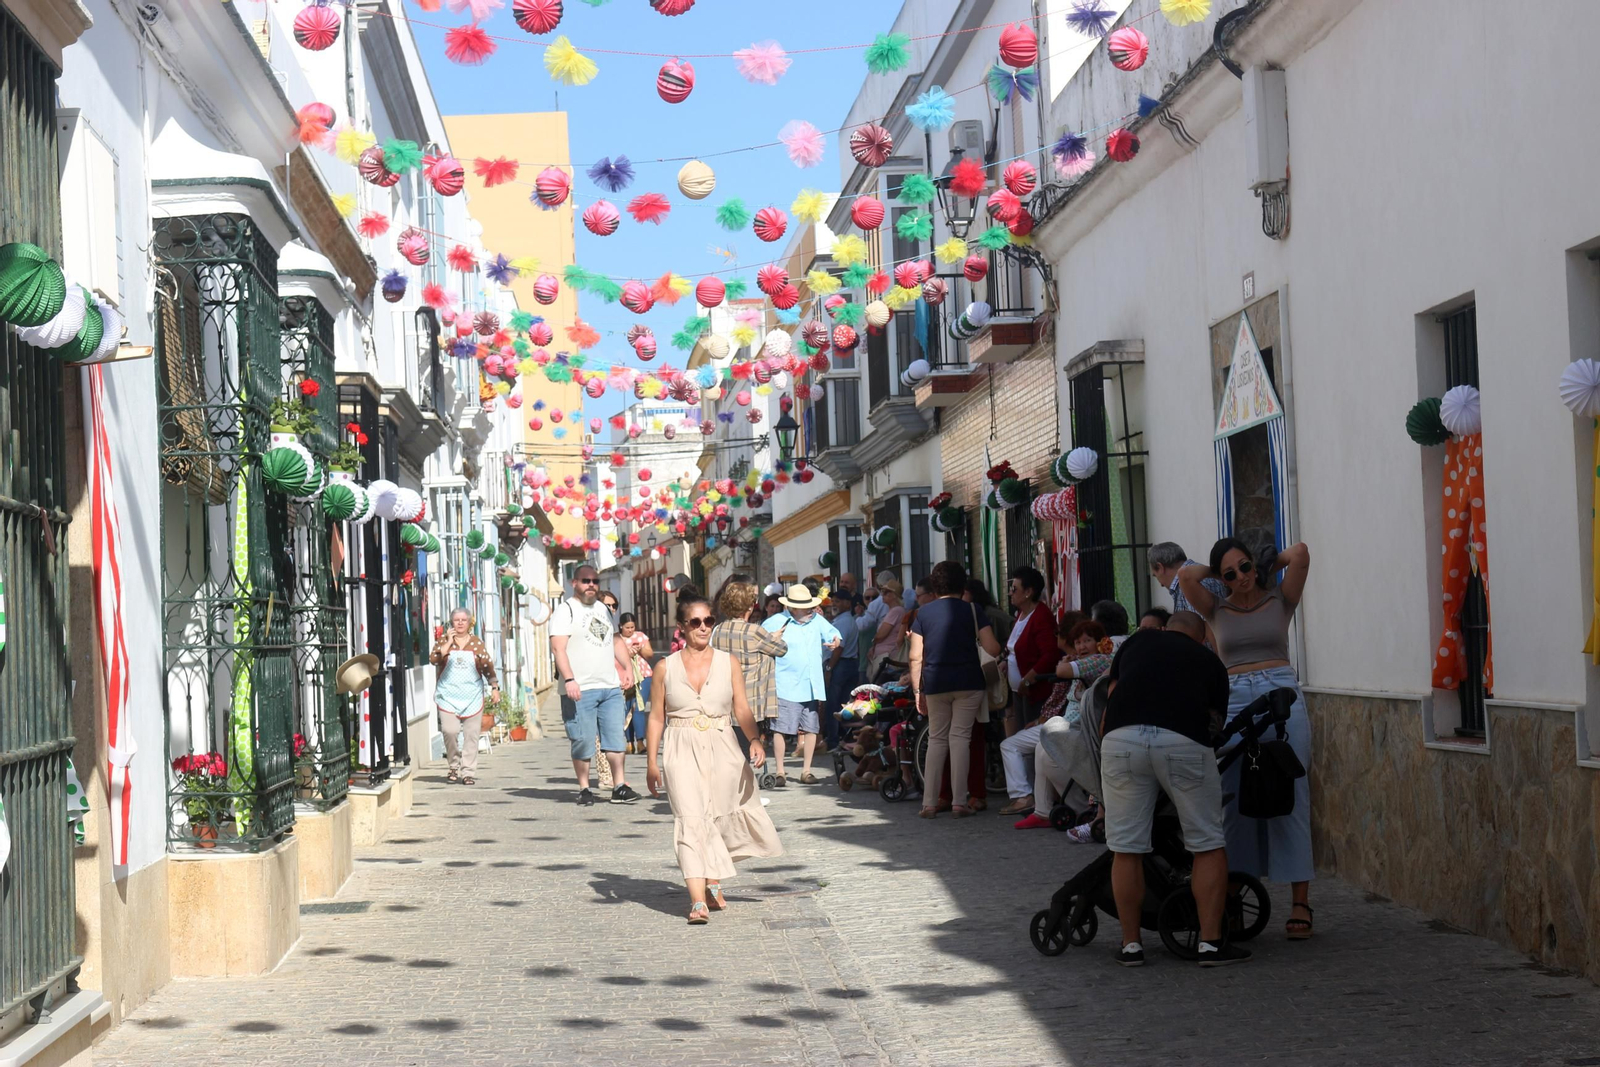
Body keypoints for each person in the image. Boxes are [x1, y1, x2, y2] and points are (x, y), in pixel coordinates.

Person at [1180, 539, 1314, 941]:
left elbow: (1302, 554)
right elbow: (1186, 575)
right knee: (1233, 796)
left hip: (1281, 693)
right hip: (1234, 693)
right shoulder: (1214, 607)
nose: (1240, 576)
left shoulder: (1281, 597)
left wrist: (1265, 563)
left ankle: (1300, 902)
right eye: (1229, 573)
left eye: (1244, 567)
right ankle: (1234, 896)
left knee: (1292, 791)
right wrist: (1216, 571)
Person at [1101, 611, 1247, 967]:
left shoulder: (1137, 642)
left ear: (1166, 629)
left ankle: (1131, 945)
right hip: (1182, 741)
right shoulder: (1209, 661)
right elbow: (1214, 725)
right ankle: (1211, 944)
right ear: (1200, 638)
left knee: (1126, 847)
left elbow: (1111, 694)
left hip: (1121, 739)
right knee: (1207, 843)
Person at [645, 596, 783, 924]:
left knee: (718, 816)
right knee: (690, 819)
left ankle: (712, 879)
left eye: (709, 620)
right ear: (682, 627)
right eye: (696, 622)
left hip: (723, 745)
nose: (704, 627)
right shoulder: (665, 667)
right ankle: (697, 901)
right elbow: (655, 718)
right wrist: (652, 761)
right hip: (680, 746)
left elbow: (742, 708)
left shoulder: (728, 662)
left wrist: (754, 739)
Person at [908, 561, 1004, 819]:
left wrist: (918, 691)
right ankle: (960, 802)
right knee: (961, 738)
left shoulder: (923, 615)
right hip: (969, 682)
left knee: (937, 739)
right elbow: (993, 649)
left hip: (936, 683)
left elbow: (915, 657)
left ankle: (929, 802)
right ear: (962, 584)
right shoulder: (973, 610)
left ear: (935, 586)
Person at [550, 564, 640, 807]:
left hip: (609, 686)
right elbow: (558, 648)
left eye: (594, 581)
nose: (591, 585)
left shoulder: (602, 608)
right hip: (580, 688)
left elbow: (614, 640)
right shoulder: (565, 611)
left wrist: (628, 669)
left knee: (615, 737)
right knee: (582, 739)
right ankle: (584, 788)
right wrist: (569, 679)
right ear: (575, 584)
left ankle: (619, 786)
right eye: (585, 581)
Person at [1000, 618, 1106, 818]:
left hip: (1082, 728)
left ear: (1099, 643)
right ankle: (1044, 810)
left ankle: (1080, 807)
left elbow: (1061, 676)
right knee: (1041, 746)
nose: (1082, 646)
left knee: (1042, 749)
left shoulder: (1098, 661)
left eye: (1087, 641)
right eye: (1078, 642)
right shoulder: (1079, 663)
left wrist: (1066, 663)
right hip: (1067, 725)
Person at [762, 585, 842, 786]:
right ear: (793, 608)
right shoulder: (776, 622)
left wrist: (835, 641)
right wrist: (772, 640)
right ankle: (780, 771)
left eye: (810, 607)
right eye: (806, 608)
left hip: (811, 684)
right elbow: (759, 642)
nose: (810, 611)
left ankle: (806, 771)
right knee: (780, 729)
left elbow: (835, 634)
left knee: (811, 728)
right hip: (785, 683)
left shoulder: (816, 621)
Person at [711, 580, 789, 751]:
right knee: (745, 751)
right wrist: (774, 637)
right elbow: (781, 649)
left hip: (724, 700)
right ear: (750, 607)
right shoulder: (754, 631)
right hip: (750, 701)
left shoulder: (717, 630)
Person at [429, 608, 500, 786]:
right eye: (456, 620)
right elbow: (434, 660)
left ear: (469, 623)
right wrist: (448, 642)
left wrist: (494, 686)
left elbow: (487, 666)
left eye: (463, 620)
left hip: (472, 696)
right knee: (450, 730)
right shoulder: (443, 642)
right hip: (448, 695)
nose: (460, 623)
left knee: (471, 735)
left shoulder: (477, 643)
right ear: (451, 623)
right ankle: (453, 766)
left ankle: (468, 772)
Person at [1002, 567, 1059, 736]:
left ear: (1028, 592)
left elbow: (1050, 654)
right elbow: (1014, 647)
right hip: (1018, 691)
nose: (1010, 593)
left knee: (1030, 735)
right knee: (1020, 734)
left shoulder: (1041, 616)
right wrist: (1005, 662)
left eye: (1014, 589)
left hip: (1034, 690)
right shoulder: (1020, 614)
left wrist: (1028, 680)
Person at [823, 591, 860, 751]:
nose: (834, 604)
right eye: (833, 601)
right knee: (843, 704)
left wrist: (830, 668)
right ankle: (845, 737)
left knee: (833, 705)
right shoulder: (843, 620)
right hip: (848, 664)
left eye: (838, 601)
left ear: (847, 604)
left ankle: (833, 740)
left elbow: (839, 647)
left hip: (841, 665)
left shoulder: (844, 622)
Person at [1150, 542, 1227, 615]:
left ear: (1160, 567)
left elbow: (1201, 626)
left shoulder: (1191, 585)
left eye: (1155, 575)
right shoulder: (1200, 575)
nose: (1161, 585)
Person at [617, 613, 655, 755]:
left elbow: (650, 654)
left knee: (638, 707)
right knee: (626, 708)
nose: (630, 630)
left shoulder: (640, 637)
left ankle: (640, 741)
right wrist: (626, 653)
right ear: (621, 626)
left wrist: (640, 649)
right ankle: (629, 742)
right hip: (623, 676)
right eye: (627, 627)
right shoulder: (616, 639)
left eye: (633, 627)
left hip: (642, 675)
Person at [866, 576, 906, 681]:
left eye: (887, 592)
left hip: (887, 656)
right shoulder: (894, 611)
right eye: (882, 591)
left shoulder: (896, 611)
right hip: (885, 655)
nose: (883, 594)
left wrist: (873, 642)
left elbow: (881, 634)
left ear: (894, 596)